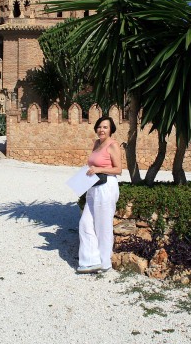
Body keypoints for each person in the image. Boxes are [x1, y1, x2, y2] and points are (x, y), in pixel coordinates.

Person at [77, 116, 122, 274]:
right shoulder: (96, 143)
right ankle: (90, 260)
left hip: (107, 187)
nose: (101, 130)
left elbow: (118, 170)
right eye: (99, 127)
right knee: (85, 223)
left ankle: (105, 263)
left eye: (105, 127)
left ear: (111, 130)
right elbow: (93, 165)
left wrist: (99, 169)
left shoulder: (113, 145)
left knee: (103, 226)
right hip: (93, 186)